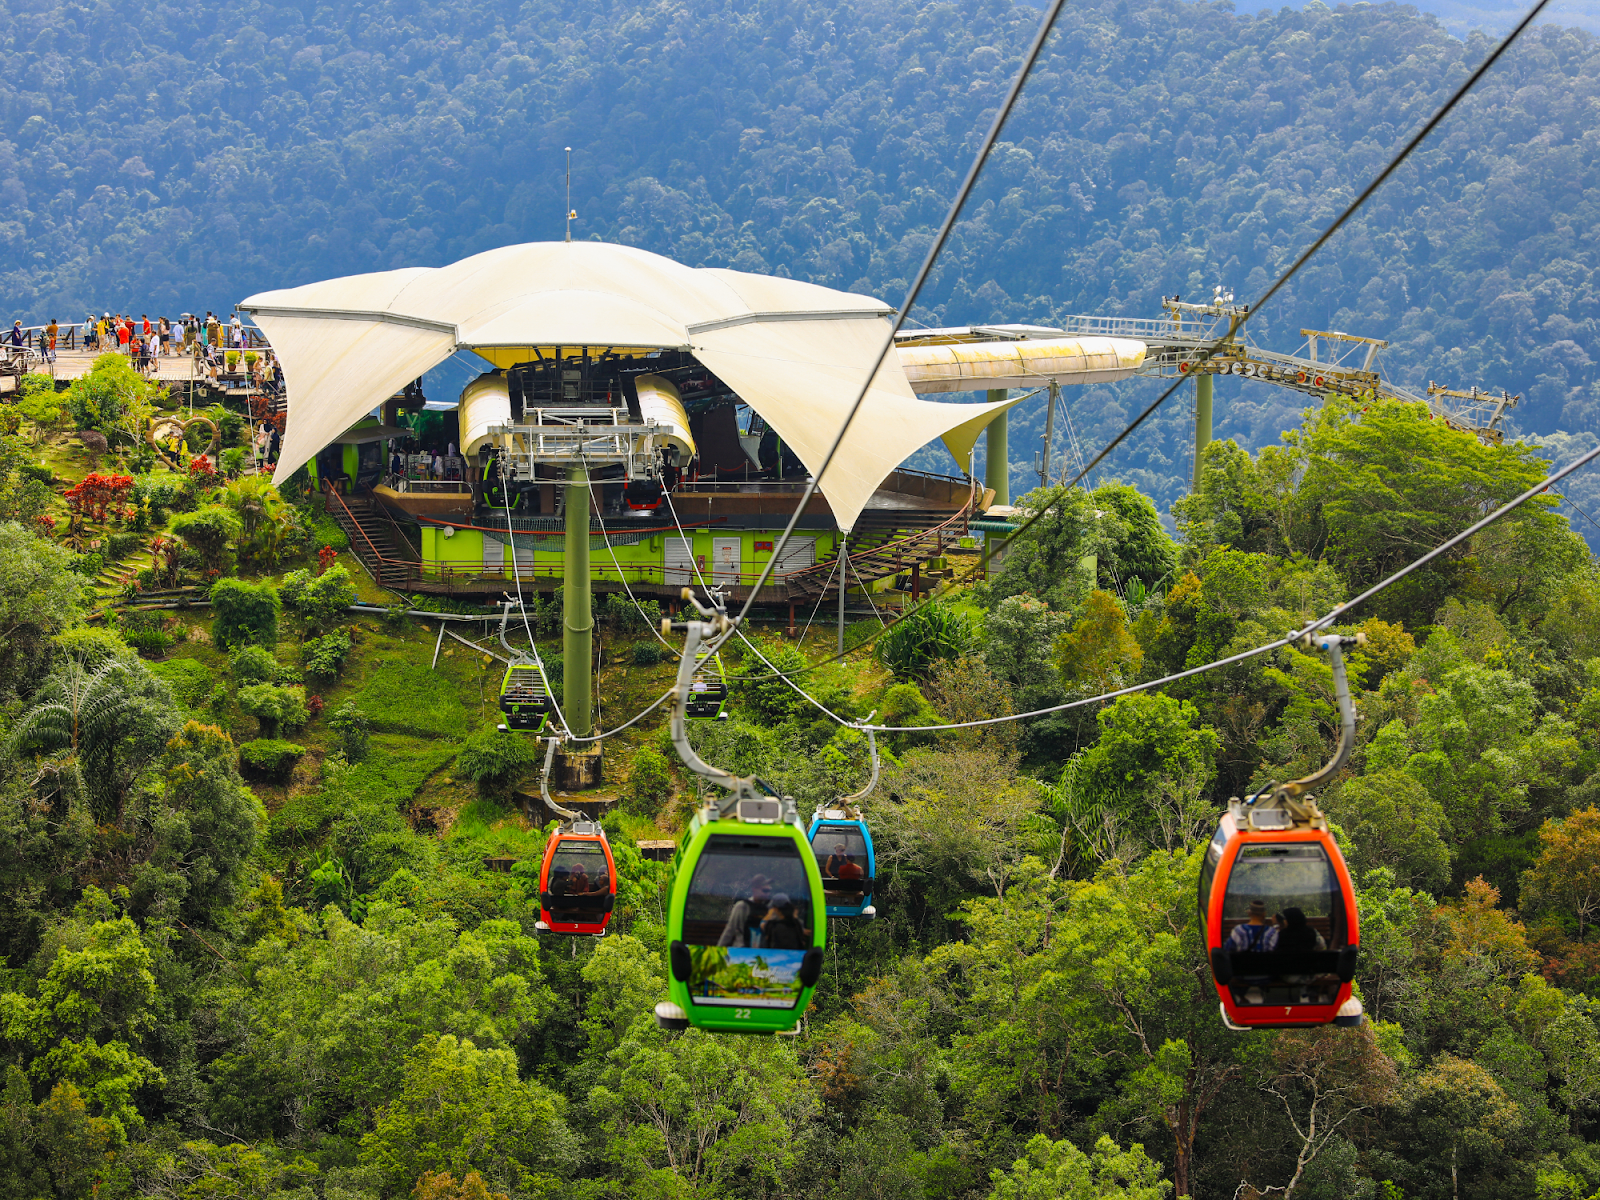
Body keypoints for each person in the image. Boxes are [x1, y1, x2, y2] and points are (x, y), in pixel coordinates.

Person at [717, 873, 772, 948]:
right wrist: (718, 950)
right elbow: (730, 929)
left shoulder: (769, 908)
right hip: (742, 950)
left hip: (761, 952)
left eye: (769, 891)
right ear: (754, 890)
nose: (768, 893)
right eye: (765, 890)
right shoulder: (742, 906)